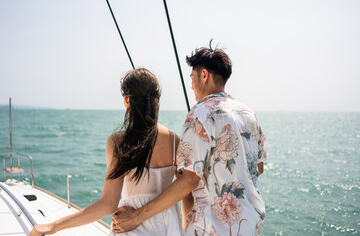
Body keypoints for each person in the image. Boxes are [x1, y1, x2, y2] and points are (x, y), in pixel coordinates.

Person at [112, 43, 268, 236]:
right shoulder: (248, 114)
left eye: (193, 78)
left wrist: (137, 216)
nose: (192, 85)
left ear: (204, 75)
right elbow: (257, 168)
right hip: (249, 225)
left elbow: (188, 181)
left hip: (212, 228)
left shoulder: (199, 114)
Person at [29, 68, 183, 236]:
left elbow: (108, 204)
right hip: (171, 228)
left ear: (126, 100)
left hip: (129, 226)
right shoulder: (175, 141)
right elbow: (185, 190)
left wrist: (53, 227)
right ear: (158, 100)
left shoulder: (118, 142)